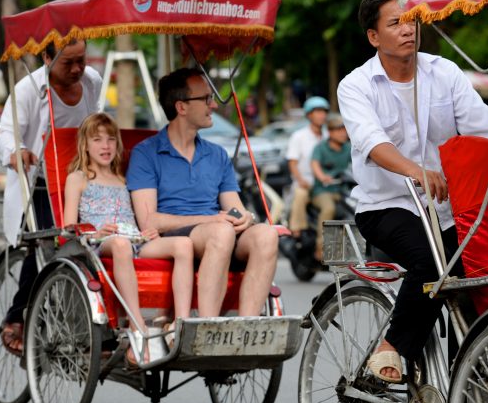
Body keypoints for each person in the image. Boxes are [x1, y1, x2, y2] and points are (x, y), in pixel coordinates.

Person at [338, 0, 488, 383]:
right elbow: (373, 143)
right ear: (374, 36)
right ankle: (391, 348)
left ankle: (473, 400)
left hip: (448, 209)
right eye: (396, 23)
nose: (408, 29)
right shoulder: (356, 85)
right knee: (434, 264)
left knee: (483, 278)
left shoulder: (443, 73)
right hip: (386, 206)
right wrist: (416, 171)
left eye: (412, 20)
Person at [127, 68, 278, 318]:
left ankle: (246, 324)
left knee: (266, 235)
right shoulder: (146, 153)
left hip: (220, 232)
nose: (213, 106)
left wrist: (246, 217)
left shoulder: (217, 154)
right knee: (221, 231)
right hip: (178, 235)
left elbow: (235, 207)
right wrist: (214, 220)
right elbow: (149, 221)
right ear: (182, 107)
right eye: (206, 99)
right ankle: (208, 326)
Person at [0, 39, 102, 354]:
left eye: (81, 60)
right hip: (42, 181)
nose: (77, 69)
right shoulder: (29, 89)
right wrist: (16, 151)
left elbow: (95, 123)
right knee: (46, 246)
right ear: (46, 57)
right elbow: (5, 132)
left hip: (83, 178)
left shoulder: (91, 81)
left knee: (98, 245)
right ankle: (17, 316)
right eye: (68, 62)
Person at [64, 113, 194, 364]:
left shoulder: (124, 179)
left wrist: (149, 233)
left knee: (184, 244)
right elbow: (69, 226)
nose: (105, 146)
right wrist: (96, 233)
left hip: (135, 239)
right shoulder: (78, 178)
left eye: (111, 140)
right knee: (121, 244)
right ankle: (138, 329)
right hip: (100, 243)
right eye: (98, 140)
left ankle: (179, 324)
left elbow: (134, 218)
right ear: (85, 145)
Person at [309, 112, 352, 260]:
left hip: (343, 190)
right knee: (329, 209)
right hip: (323, 190)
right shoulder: (321, 148)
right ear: (331, 132)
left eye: (344, 129)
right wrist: (322, 177)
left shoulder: (349, 148)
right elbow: (314, 164)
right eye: (339, 129)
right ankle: (321, 247)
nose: (343, 133)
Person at [286, 96, 329, 234]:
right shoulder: (299, 136)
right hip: (306, 182)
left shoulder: (329, 135)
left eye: (324, 111)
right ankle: (296, 234)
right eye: (318, 111)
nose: (322, 115)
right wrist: (300, 180)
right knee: (300, 194)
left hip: (327, 183)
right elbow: (292, 163)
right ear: (309, 115)